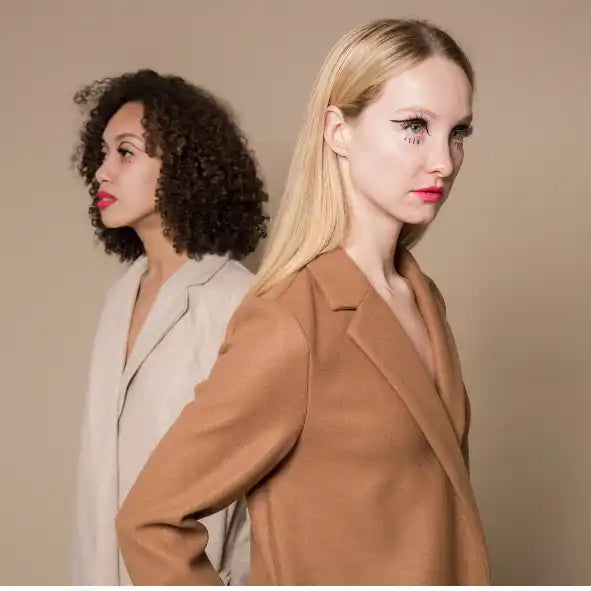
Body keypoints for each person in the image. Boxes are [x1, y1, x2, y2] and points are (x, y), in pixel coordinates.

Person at [115, 20, 491, 585]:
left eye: (457, 132)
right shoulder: (292, 318)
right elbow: (149, 521)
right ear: (338, 130)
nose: (443, 159)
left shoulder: (422, 298)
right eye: (415, 126)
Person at [71, 69, 268, 585]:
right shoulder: (118, 300)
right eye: (103, 152)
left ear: (181, 165)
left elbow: (248, 489)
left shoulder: (238, 302)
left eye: (126, 152)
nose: (101, 172)